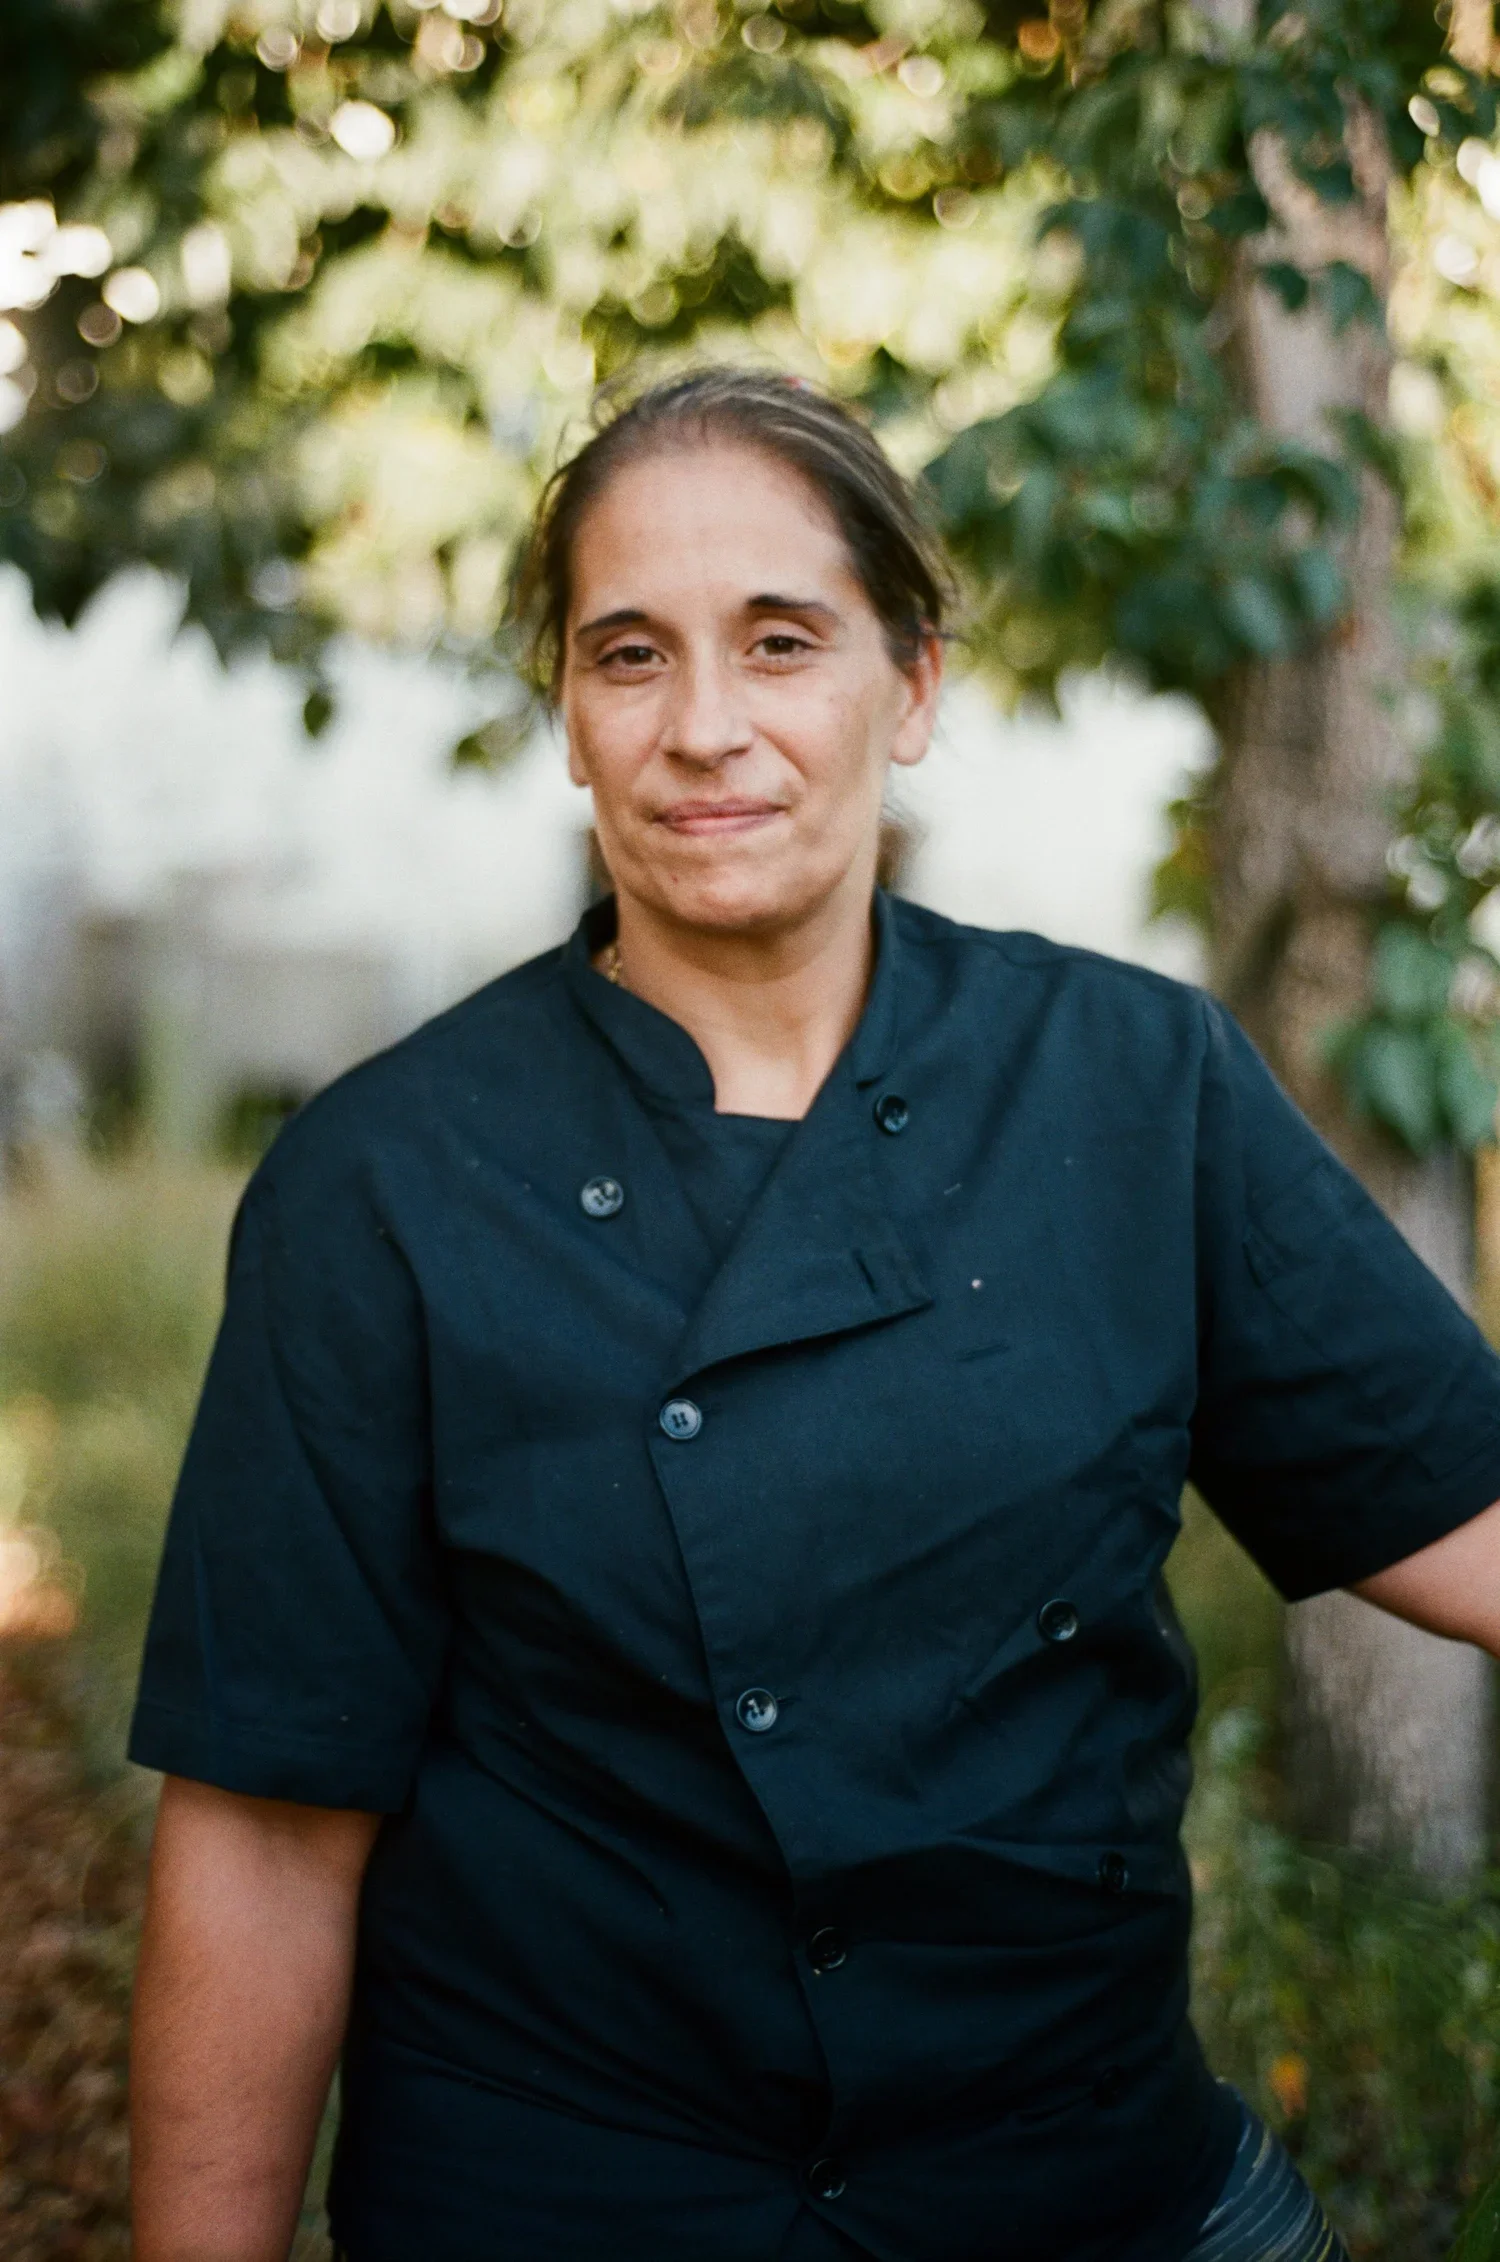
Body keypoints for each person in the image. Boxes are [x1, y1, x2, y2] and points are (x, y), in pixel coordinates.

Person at [127, 368, 1500, 2262]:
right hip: (576, 2210)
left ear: (911, 683)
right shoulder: (383, 1181)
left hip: (1084, 2190)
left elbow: (1457, 1506)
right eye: (629, 655)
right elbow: (269, 1832)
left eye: (782, 642)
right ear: (571, 717)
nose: (707, 728)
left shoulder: (1125, 1080)